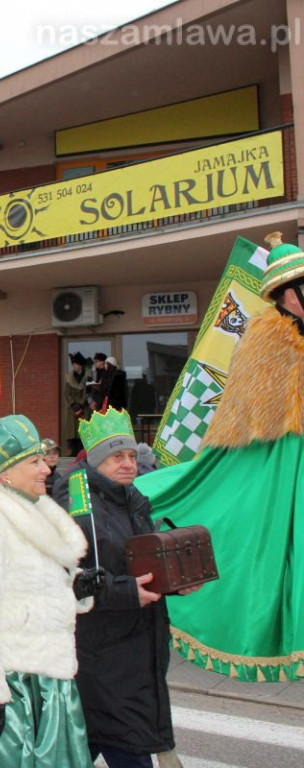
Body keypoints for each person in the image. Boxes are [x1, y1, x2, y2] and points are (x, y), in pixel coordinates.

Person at [135, 232, 304, 682]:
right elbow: (259, 416)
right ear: (286, 294)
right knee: (260, 535)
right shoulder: (266, 337)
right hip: (277, 452)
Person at [0, 415, 96, 767]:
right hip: (11, 685)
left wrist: (75, 590)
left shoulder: (32, 516)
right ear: (5, 474)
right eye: (34, 462)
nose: (47, 468)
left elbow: (29, 594)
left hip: (49, 679)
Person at [54, 407, 194, 768]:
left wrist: (172, 580)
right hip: (101, 651)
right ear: (97, 462)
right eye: (117, 456)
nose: (128, 463)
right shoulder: (77, 504)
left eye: (132, 455)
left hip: (135, 647)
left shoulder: (131, 499)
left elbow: (139, 561)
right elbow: (70, 578)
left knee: (93, 743)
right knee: (124, 744)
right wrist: (125, 592)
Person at [63, 352, 88, 454]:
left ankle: (83, 450)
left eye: (75, 364)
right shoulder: (69, 378)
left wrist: (81, 403)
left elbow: (88, 391)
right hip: (73, 408)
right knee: (72, 431)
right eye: (73, 364)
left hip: (83, 408)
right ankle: (72, 451)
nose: (74, 366)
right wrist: (73, 404)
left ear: (80, 365)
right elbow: (67, 393)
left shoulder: (87, 377)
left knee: (83, 430)